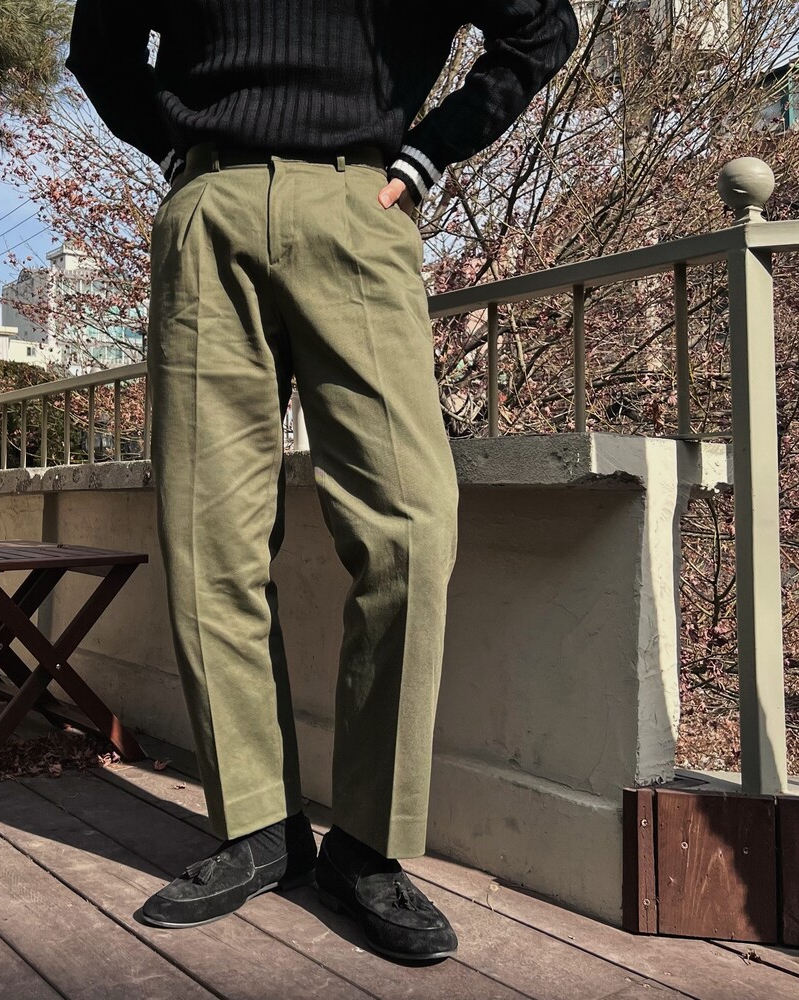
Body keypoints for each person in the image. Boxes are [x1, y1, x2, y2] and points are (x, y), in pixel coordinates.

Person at [67, 0, 578, 963]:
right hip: (209, 207)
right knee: (207, 539)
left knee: (410, 528)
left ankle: (368, 847)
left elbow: (542, 26)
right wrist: (176, 150)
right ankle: (259, 824)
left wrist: (431, 151)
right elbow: (99, 48)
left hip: (360, 205)